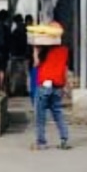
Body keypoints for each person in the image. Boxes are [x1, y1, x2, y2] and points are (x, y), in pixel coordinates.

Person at [30, 23, 71, 151]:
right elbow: (65, 68)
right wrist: (66, 86)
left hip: (44, 85)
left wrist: (35, 51)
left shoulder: (44, 50)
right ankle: (64, 139)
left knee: (40, 115)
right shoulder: (65, 50)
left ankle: (41, 142)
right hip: (58, 85)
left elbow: (36, 64)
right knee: (58, 113)